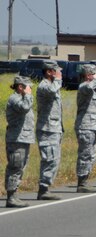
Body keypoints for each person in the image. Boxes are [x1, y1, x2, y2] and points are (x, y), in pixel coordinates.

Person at [4, 76, 35, 208]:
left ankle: (14, 195)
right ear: (20, 87)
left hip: (23, 138)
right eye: (28, 86)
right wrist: (28, 95)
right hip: (16, 139)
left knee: (20, 167)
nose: (30, 89)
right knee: (15, 167)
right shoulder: (15, 98)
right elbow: (24, 108)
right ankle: (11, 197)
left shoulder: (21, 98)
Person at [35, 60, 63, 200]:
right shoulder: (44, 86)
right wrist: (58, 80)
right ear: (48, 72)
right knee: (49, 159)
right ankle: (43, 189)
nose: (59, 73)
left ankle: (45, 188)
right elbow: (52, 91)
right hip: (46, 129)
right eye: (56, 71)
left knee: (54, 159)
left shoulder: (52, 85)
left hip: (54, 128)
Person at [74, 64, 96, 193]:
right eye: (93, 74)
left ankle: (85, 180)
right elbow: (90, 86)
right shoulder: (84, 86)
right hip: (85, 126)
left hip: (92, 126)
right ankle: (82, 183)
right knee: (85, 154)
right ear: (87, 75)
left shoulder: (90, 88)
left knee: (91, 154)